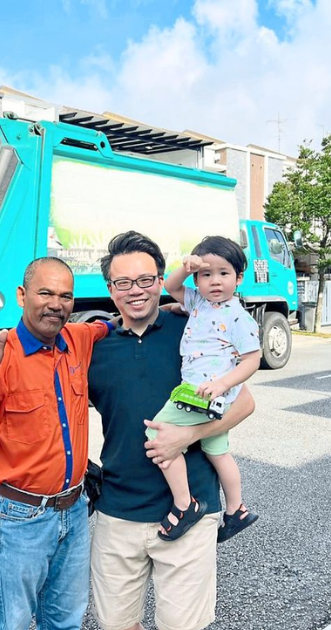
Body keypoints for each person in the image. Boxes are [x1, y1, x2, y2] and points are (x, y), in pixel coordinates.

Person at [88, 231, 256, 630]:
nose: (135, 291)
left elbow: (245, 402)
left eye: (146, 280)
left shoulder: (194, 327)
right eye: (123, 282)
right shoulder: (95, 347)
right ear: (110, 289)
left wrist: (188, 436)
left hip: (193, 514)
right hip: (118, 512)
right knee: (116, 624)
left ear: (161, 281)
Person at [0, 257, 112, 630]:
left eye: (65, 296)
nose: (56, 304)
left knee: (66, 622)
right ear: (22, 295)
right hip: (20, 518)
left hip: (75, 510)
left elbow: (112, 323)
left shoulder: (78, 338)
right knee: (13, 624)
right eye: (45, 293)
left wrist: (169, 308)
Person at [148, 236, 261, 541]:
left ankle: (185, 505)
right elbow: (171, 286)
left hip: (201, 395)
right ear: (197, 280)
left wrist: (223, 383)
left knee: (157, 436)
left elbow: (252, 360)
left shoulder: (238, 317)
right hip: (209, 396)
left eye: (224, 273)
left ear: (238, 277)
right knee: (217, 450)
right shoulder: (198, 302)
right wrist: (185, 268)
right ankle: (236, 509)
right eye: (205, 274)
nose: (215, 281)